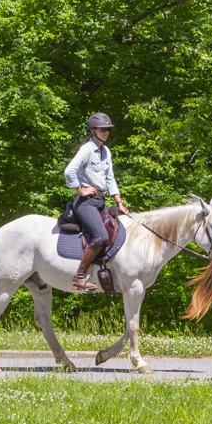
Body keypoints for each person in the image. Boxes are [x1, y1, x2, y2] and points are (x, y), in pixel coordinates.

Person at [63, 111, 129, 291]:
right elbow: (69, 171)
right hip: (86, 203)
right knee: (101, 236)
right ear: (93, 131)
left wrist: (119, 202)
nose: (106, 132)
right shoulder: (86, 149)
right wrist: (80, 190)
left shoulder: (105, 151)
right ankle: (79, 277)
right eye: (102, 129)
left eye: (108, 129)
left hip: (100, 201)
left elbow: (110, 178)